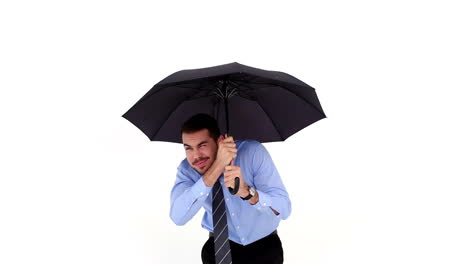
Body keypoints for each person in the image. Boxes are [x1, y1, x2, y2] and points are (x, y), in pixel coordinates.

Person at [169, 113, 291, 264]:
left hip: (264, 249)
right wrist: (218, 166)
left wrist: (247, 192)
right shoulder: (187, 170)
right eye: (189, 148)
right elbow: (178, 217)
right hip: (216, 250)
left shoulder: (252, 153)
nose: (196, 156)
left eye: (202, 146)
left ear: (220, 141)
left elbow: (284, 209)